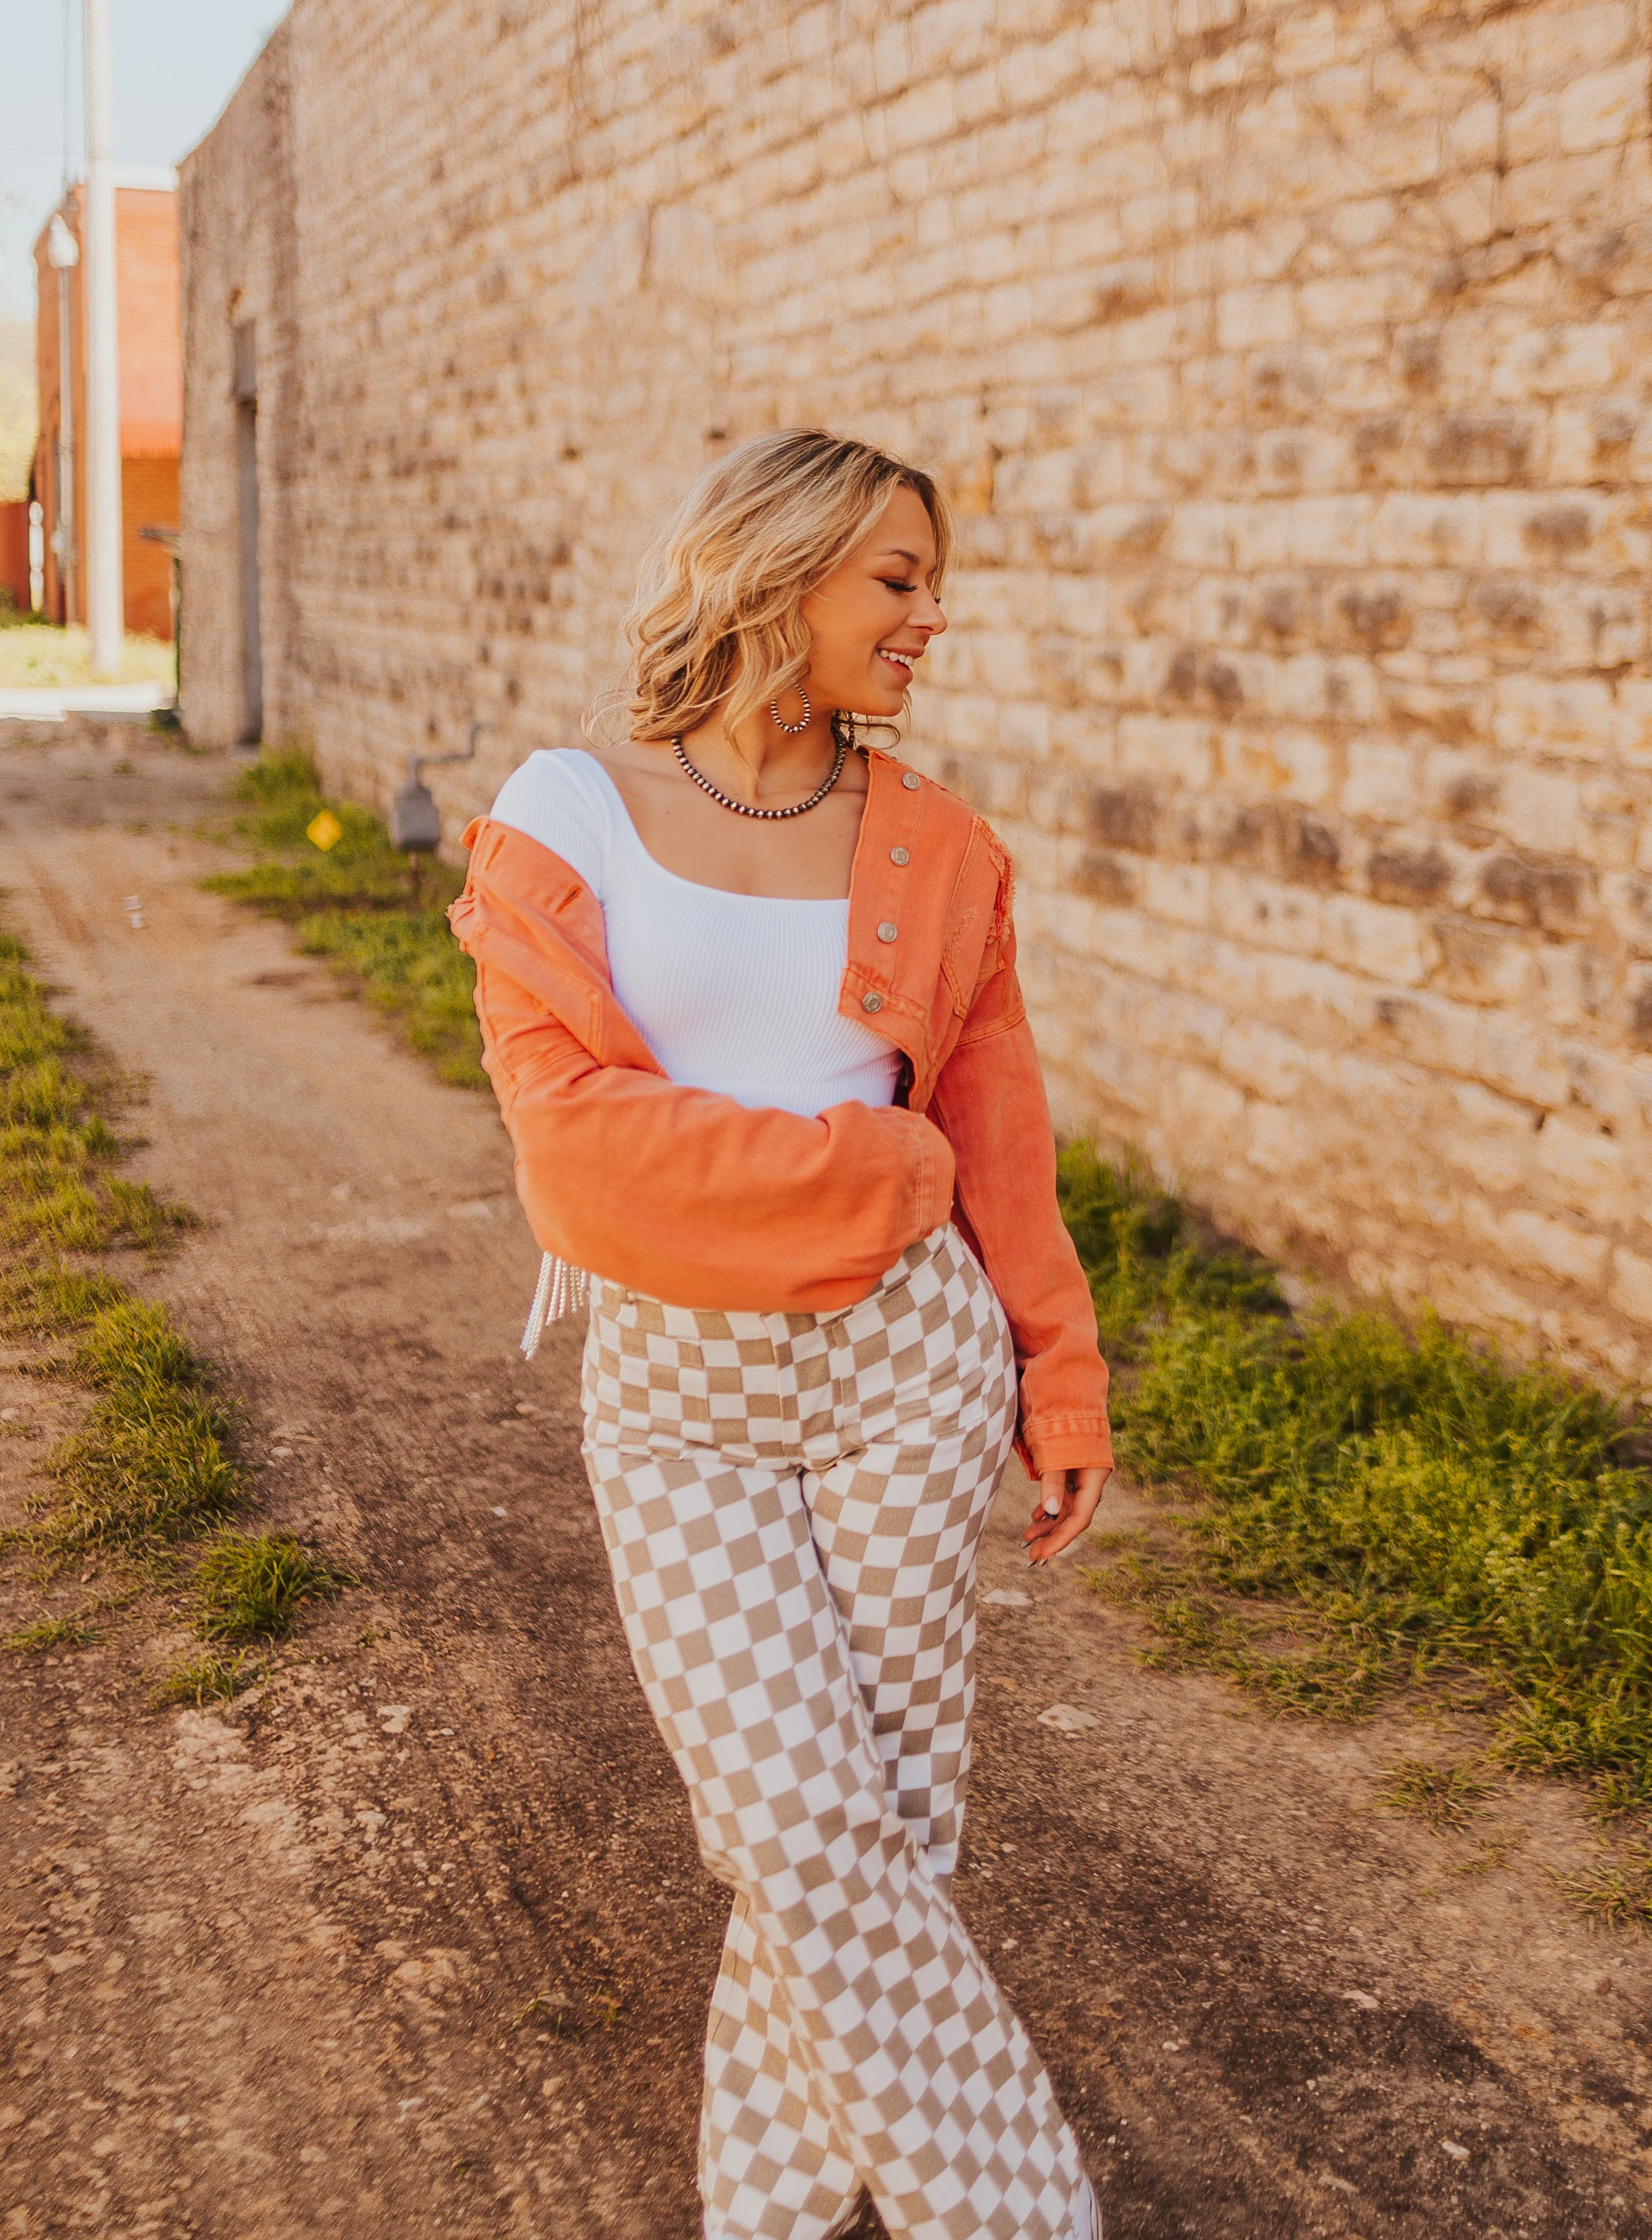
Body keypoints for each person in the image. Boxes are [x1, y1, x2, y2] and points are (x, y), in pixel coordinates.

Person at [450, 428, 1112, 2240]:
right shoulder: (569, 812)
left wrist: (1059, 1372)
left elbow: (1000, 1140)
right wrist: (860, 1171)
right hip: (679, 1394)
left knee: (884, 1836)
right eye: (896, 582)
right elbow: (576, 1157)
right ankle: (1017, 2214)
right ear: (781, 570)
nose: (931, 619)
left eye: (929, 583)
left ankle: (772, 2218)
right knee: (802, 1833)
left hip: (910, 1372)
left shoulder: (939, 848)